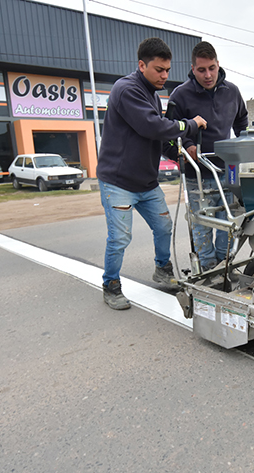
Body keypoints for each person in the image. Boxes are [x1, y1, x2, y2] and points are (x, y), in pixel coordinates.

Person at [96, 37, 207, 310]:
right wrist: (190, 125)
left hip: (146, 182)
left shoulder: (154, 96)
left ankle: (162, 269)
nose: (165, 76)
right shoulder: (126, 89)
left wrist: (177, 154)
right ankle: (111, 284)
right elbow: (153, 127)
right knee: (120, 237)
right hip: (118, 182)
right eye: (159, 69)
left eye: (167, 70)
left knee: (164, 226)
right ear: (142, 65)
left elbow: (157, 139)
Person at [165, 41, 248, 271]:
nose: (208, 75)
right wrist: (187, 147)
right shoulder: (180, 96)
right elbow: (168, 134)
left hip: (228, 171)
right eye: (201, 70)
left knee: (228, 222)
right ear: (193, 69)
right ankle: (206, 270)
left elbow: (242, 120)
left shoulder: (232, 91)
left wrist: (242, 142)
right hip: (197, 174)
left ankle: (224, 268)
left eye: (211, 68)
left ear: (218, 64)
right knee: (202, 225)